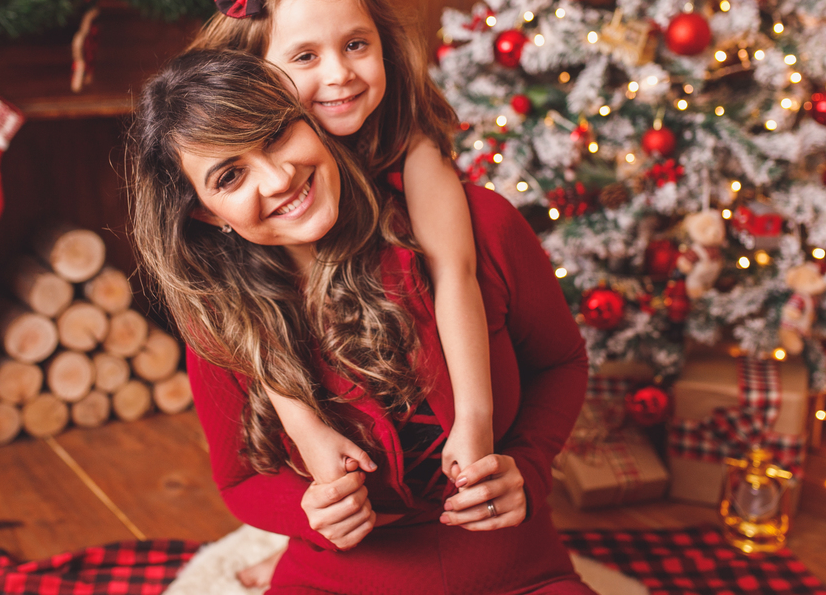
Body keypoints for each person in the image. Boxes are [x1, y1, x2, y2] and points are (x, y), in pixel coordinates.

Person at [130, 49, 595, 594]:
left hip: (516, 569)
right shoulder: (219, 318)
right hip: (337, 580)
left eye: (277, 135)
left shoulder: (481, 228)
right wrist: (310, 512)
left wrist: (530, 464)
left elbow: (561, 362)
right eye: (230, 176)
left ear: (310, 120)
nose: (278, 179)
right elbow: (239, 479)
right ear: (208, 213)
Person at [193, 0, 496, 494]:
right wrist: (302, 426)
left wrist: (475, 421)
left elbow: (455, 271)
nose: (340, 74)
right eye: (305, 56)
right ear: (252, 76)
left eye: (356, 44)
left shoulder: (410, 143)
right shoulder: (259, 190)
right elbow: (247, 305)